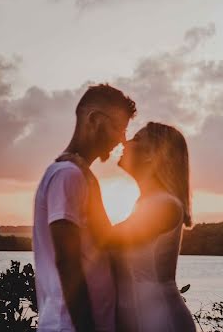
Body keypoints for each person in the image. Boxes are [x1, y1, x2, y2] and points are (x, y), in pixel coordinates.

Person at [32, 83, 136, 332]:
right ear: (94, 119)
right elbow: (67, 262)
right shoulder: (68, 175)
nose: (122, 139)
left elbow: (104, 242)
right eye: (118, 128)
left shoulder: (79, 175)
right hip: (70, 325)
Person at [77, 122, 196, 332]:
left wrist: (86, 178)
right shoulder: (145, 204)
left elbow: (105, 239)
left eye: (137, 139)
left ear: (152, 155)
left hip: (160, 322)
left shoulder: (164, 205)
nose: (126, 142)